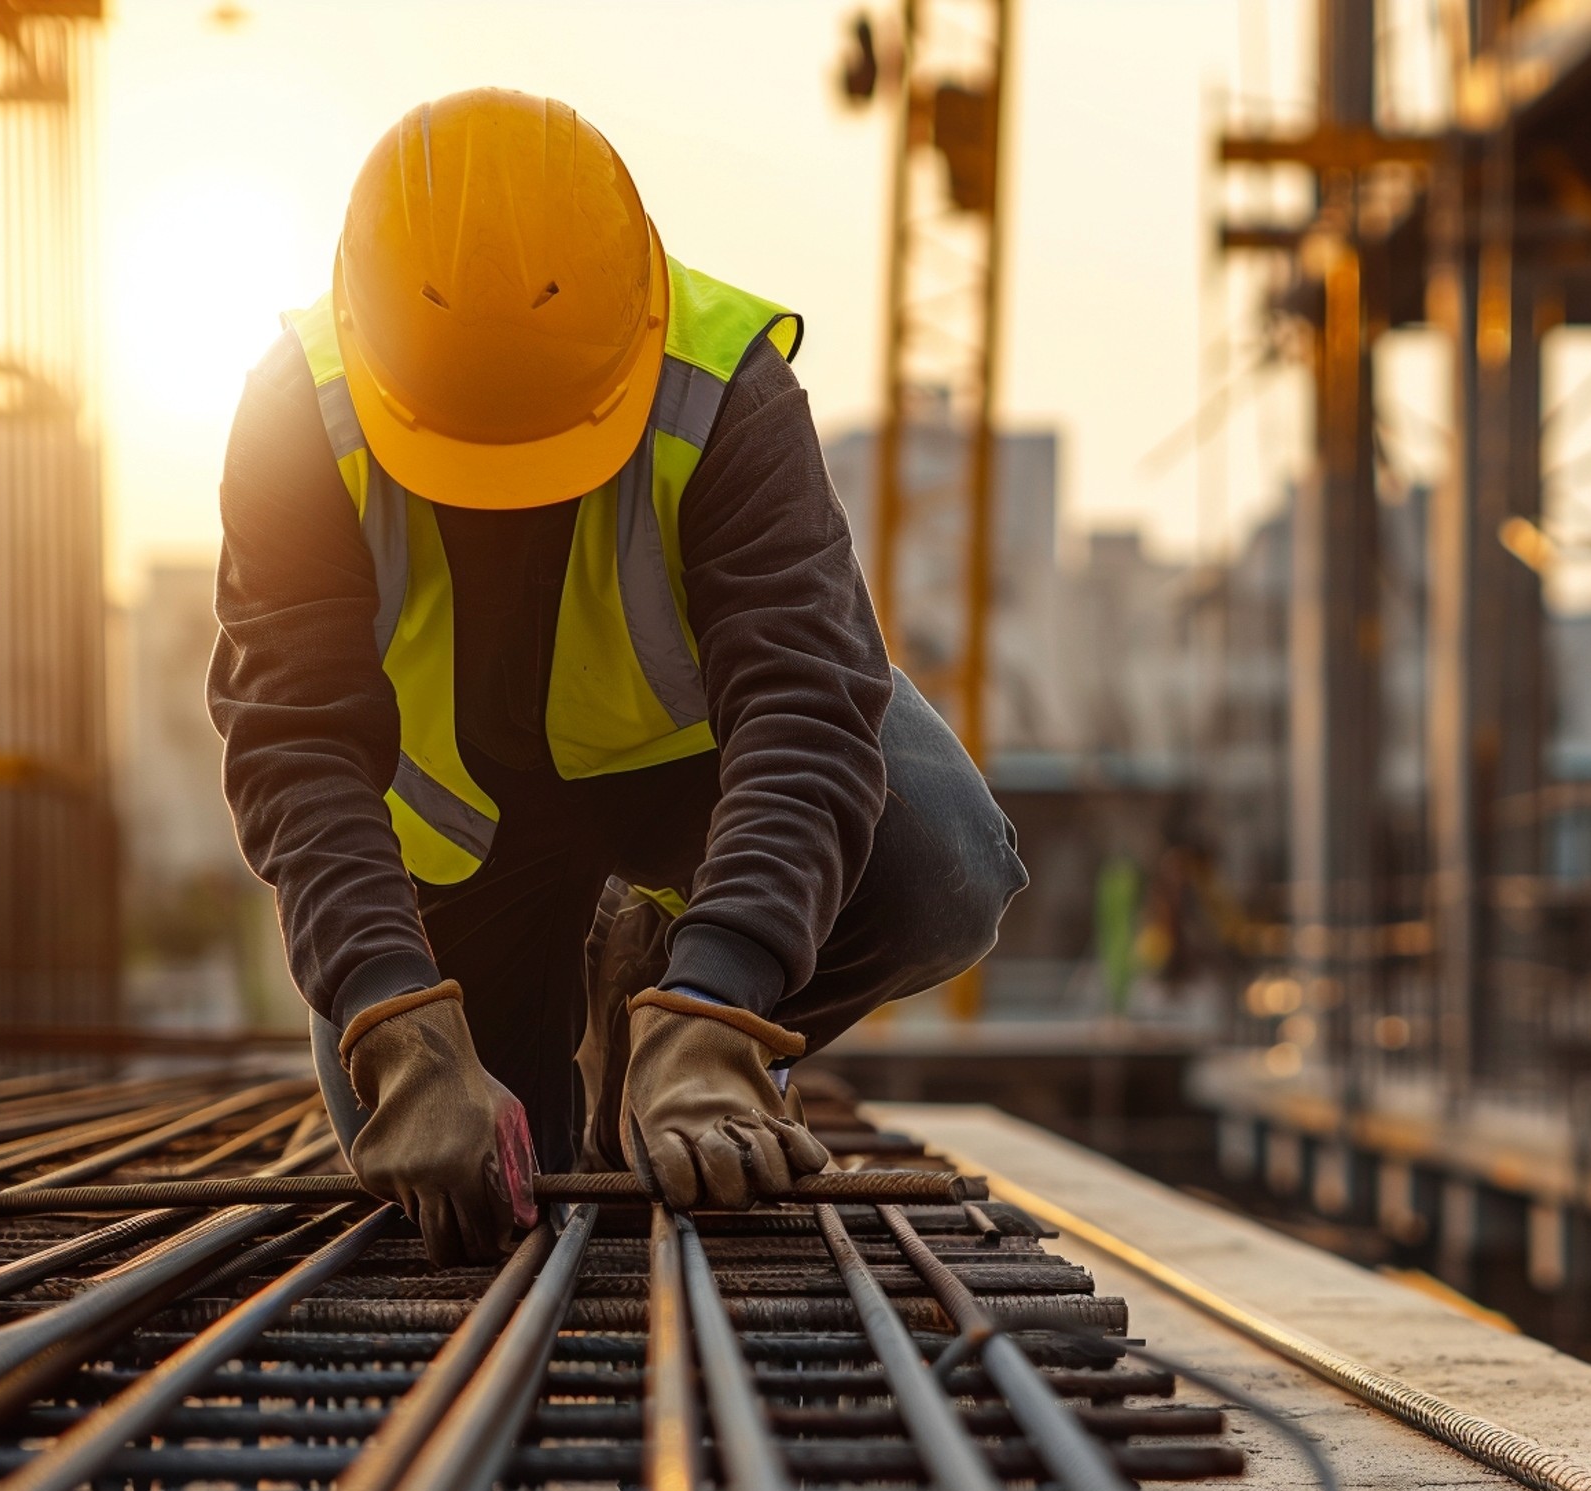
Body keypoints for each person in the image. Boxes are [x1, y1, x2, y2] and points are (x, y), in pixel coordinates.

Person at [212, 87, 1023, 1260]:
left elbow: (805, 703)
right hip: (463, 843)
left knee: (942, 859)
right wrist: (395, 1020)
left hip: (680, 780)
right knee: (478, 1196)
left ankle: (659, 996)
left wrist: (717, 1009)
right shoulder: (298, 411)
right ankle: (553, 1027)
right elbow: (294, 742)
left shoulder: (723, 388)